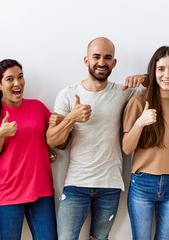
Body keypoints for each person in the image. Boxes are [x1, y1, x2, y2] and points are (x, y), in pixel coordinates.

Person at [46, 37, 145, 240]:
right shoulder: (68, 93)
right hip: (76, 183)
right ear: (86, 60)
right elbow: (51, 140)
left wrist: (145, 77)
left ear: (114, 63)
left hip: (110, 184)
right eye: (96, 57)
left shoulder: (122, 92)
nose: (102, 62)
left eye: (107, 58)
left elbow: (162, 84)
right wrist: (72, 118)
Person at [0, 59, 57, 240]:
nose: (17, 83)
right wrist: (1, 134)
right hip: (8, 194)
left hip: (41, 191)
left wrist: (48, 149)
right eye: (10, 79)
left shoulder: (37, 107)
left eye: (20, 77)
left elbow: (55, 138)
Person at [122, 46, 169, 240]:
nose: (167, 74)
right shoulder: (139, 101)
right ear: (153, 71)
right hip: (143, 183)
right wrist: (140, 123)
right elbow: (127, 148)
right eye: (161, 69)